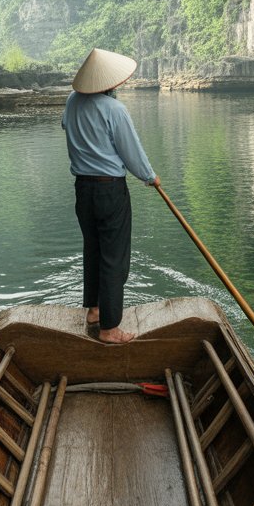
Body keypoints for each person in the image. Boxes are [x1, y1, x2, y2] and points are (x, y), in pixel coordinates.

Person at [62, 48, 159, 345]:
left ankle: (94, 309)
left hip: (83, 189)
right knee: (114, 257)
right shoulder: (114, 110)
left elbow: (66, 126)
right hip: (109, 190)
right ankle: (109, 328)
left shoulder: (71, 102)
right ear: (109, 82)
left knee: (93, 248)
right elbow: (131, 151)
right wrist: (149, 176)